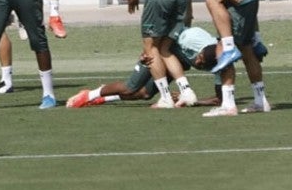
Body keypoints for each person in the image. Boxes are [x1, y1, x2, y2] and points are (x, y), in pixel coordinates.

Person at [65, 26, 257, 109]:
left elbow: (219, 99)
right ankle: (89, 95)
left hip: (174, 64)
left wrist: (191, 101)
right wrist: (149, 50)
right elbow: (166, 37)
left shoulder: (221, 63)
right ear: (198, 52)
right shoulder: (190, 38)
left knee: (145, 94)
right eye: (198, 61)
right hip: (159, 53)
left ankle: (103, 99)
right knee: (130, 87)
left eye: (202, 66)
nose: (198, 65)